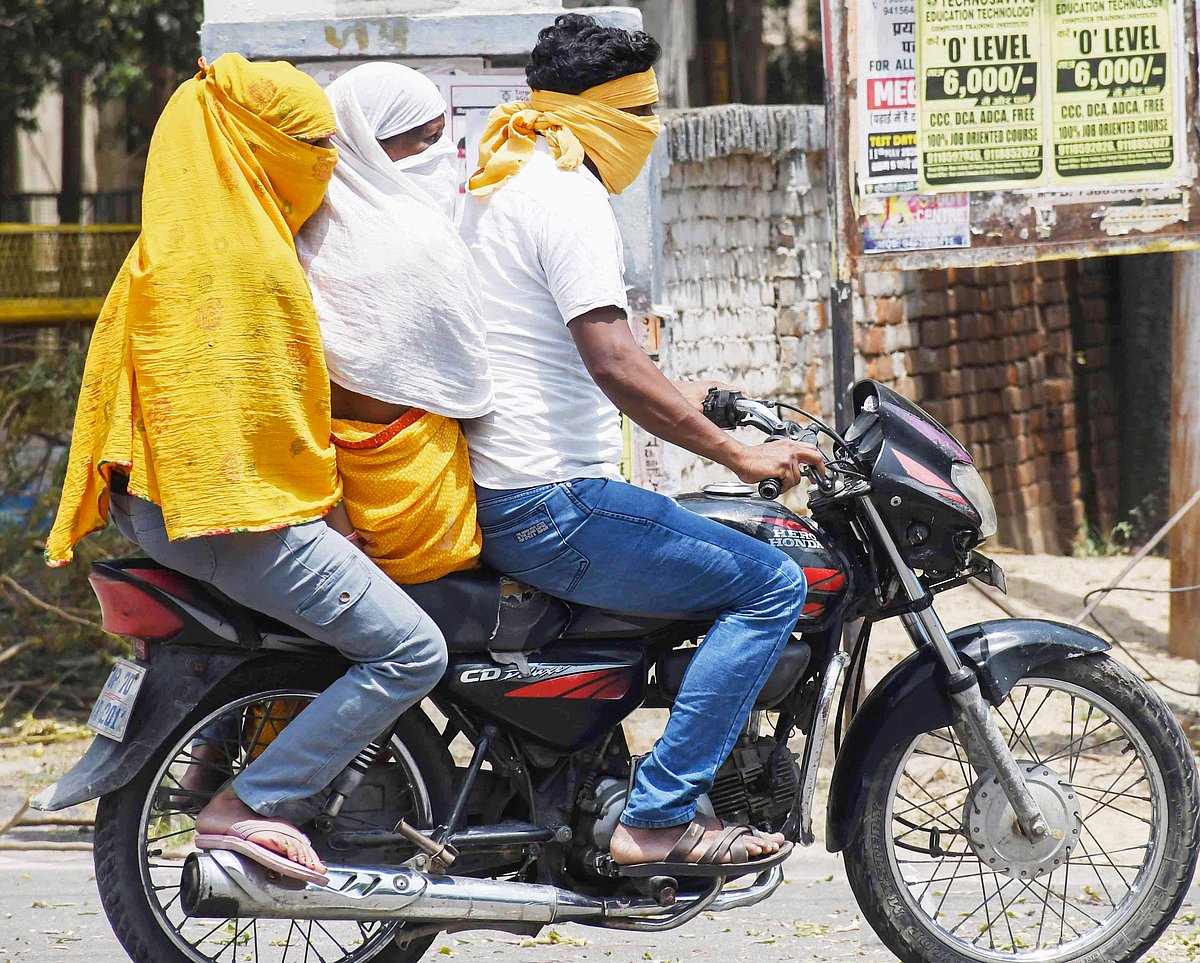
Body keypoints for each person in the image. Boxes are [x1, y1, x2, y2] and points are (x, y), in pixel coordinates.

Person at [45, 53, 448, 885]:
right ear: (250, 142)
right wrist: (332, 510)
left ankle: (209, 758)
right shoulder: (243, 262)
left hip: (172, 507)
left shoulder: (193, 235)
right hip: (226, 514)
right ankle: (249, 801)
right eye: (306, 141)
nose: (323, 159)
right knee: (411, 651)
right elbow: (258, 421)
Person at [462, 14, 824, 873]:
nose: (652, 130)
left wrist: (690, 396)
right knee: (772, 584)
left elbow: (567, 354)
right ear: (607, 112)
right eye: (645, 110)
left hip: (515, 484)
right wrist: (738, 456)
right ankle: (658, 818)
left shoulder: (504, 181)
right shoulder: (568, 194)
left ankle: (614, 778)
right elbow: (614, 361)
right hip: (557, 501)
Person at [297, 63, 492, 584]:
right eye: (426, 142)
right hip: (422, 501)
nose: (443, 157)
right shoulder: (420, 241)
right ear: (369, 144)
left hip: (330, 512)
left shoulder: (297, 233)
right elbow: (470, 384)